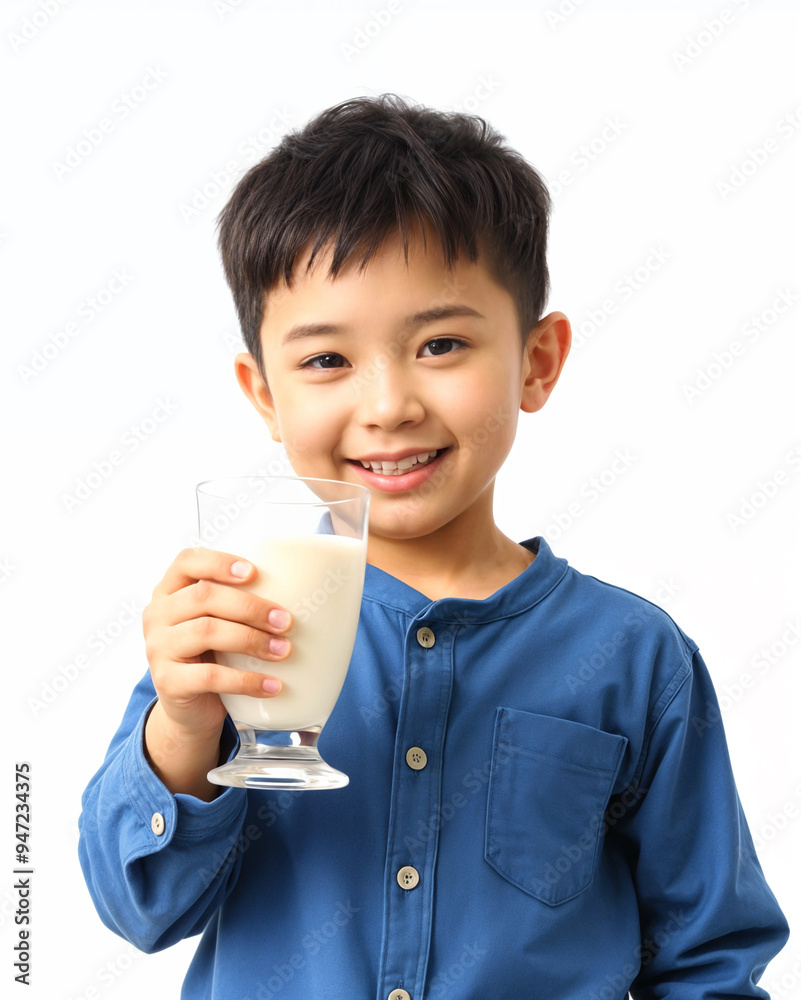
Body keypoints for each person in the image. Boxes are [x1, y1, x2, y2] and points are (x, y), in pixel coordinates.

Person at [78, 93, 788, 999]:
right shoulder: (233, 627)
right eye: (326, 360)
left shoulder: (635, 658)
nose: (387, 406)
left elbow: (709, 959)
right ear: (263, 395)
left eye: (441, 344)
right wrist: (181, 728)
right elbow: (138, 909)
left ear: (535, 362)